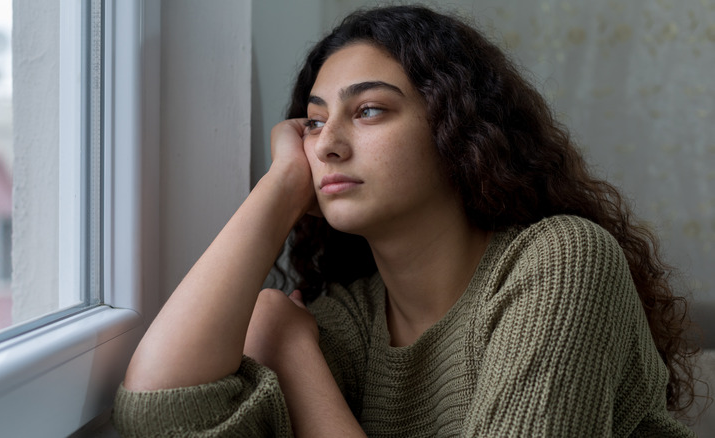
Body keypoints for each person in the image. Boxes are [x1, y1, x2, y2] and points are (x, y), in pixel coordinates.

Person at [112, 5, 700, 437]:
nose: (327, 144)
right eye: (313, 123)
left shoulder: (563, 261)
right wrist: (282, 186)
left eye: (369, 110)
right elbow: (161, 413)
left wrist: (291, 354)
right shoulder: (354, 320)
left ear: (458, 129)